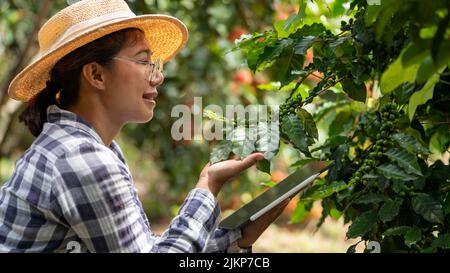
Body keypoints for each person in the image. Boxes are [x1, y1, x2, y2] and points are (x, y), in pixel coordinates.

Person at [0, 0, 289, 253]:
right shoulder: (82, 159)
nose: (157, 78)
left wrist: (236, 236)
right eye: (143, 61)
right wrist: (208, 186)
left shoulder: (91, 147)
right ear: (96, 74)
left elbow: (135, 245)